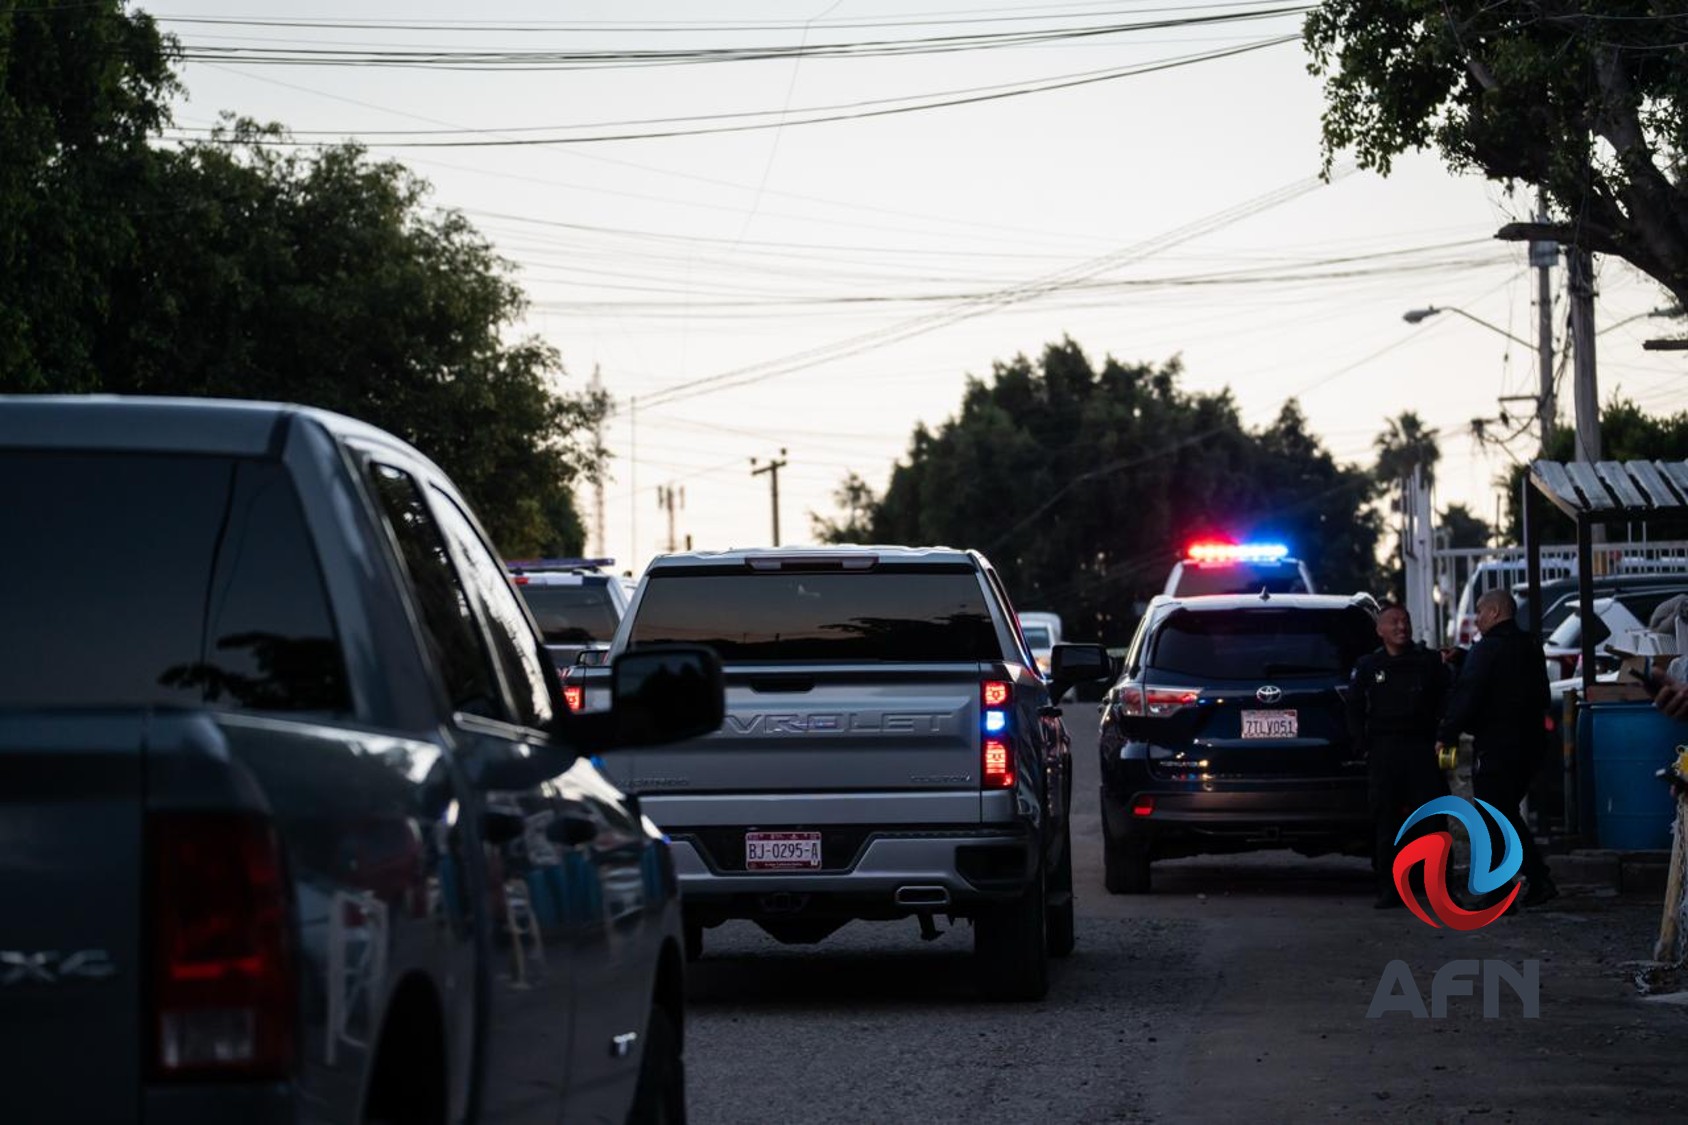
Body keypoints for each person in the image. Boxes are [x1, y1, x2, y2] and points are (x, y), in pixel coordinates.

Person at [1438, 588, 1558, 907]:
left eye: (1479, 612)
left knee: (1492, 815)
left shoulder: (1487, 649)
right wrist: (1465, 657)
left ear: (1494, 612)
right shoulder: (1530, 645)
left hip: (1497, 745)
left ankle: (1501, 889)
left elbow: (1468, 693)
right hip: (1530, 743)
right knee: (1504, 813)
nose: (1476, 619)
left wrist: (1447, 733)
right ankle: (1538, 878)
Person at [1346, 603, 1452, 909]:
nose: (1401, 628)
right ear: (1380, 630)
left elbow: (1448, 699)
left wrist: (1445, 736)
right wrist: (1362, 746)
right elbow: (1354, 708)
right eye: (1393, 622)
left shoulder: (1429, 662)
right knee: (1386, 822)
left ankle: (1439, 888)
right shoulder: (1369, 666)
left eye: (1405, 621)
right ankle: (1389, 888)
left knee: (1433, 820)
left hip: (1422, 749)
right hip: (1384, 751)